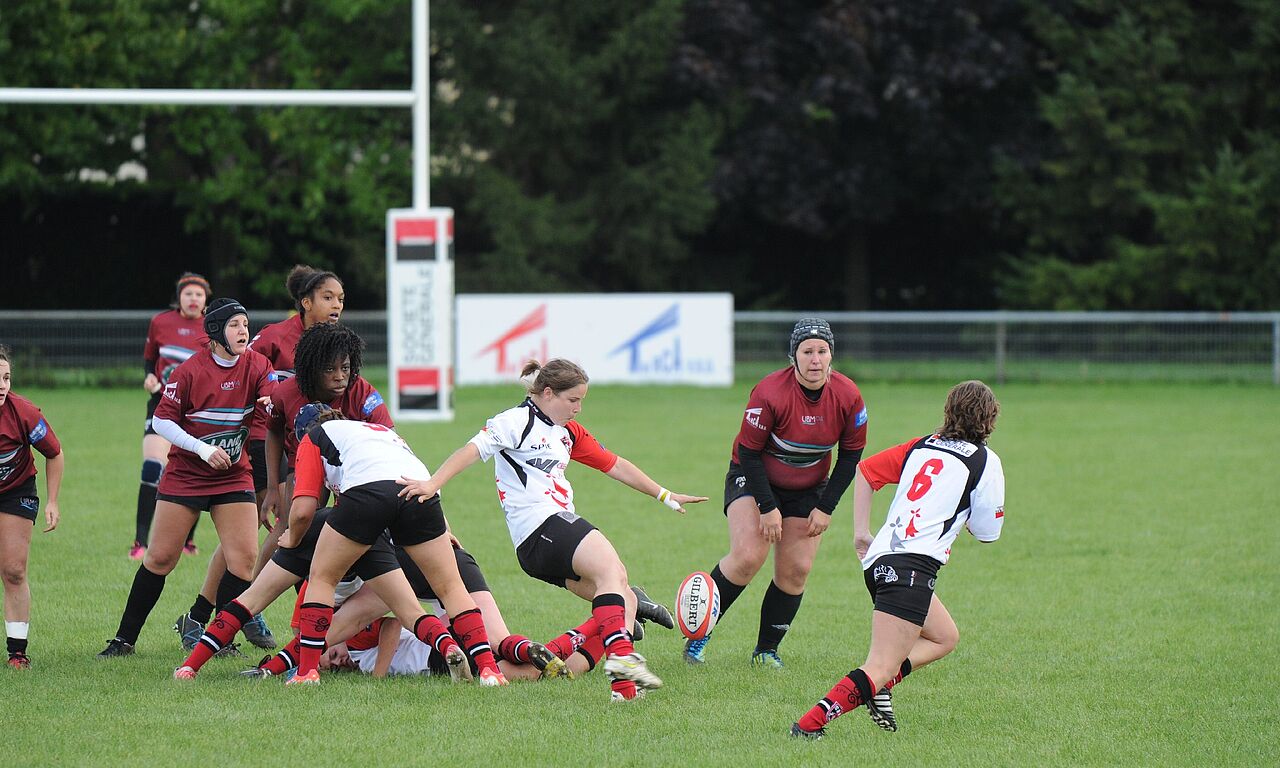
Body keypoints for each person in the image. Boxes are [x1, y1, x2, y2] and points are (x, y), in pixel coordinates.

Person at [398, 358, 707, 701]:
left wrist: (664, 494)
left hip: (543, 544)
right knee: (612, 570)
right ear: (547, 393)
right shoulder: (516, 421)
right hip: (541, 526)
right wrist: (432, 484)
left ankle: (622, 687)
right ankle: (623, 669)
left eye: (581, 401)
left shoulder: (567, 432)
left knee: (623, 596)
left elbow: (614, 465)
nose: (578, 408)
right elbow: (470, 452)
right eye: (573, 400)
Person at [790, 380, 1005, 740]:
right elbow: (988, 533)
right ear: (990, 419)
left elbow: (866, 471)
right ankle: (809, 724)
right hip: (911, 569)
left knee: (944, 637)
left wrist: (861, 532)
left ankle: (880, 686)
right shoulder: (985, 461)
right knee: (879, 665)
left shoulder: (923, 444)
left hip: (881, 559)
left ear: (949, 411)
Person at [177, 265, 344, 651]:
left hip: (308, 448)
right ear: (306, 303)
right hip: (263, 442)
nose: (336, 305)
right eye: (328, 298)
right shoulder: (274, 337)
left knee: (284, 527)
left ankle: (224, 611)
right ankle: (227, 611)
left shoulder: (334, 342)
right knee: (265, 528)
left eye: (340, 299)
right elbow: (235, 369)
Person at [685, 318, 868, 667]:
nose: (815, 360)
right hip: (754, 479)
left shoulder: (849, 396)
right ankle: (699, 635)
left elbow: (850, 456)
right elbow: (749, 453)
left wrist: (826, 507)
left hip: (809, 488)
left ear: (831, 355)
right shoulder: (770, 392)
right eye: (807, 351)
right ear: (793, 356)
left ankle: (766, 651)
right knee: (747, 557)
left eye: (822, 351)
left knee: (796, 569)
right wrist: (767, 507)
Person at [98, 298, 275, 658]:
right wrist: (202, 449)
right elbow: (162, 420)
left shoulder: (258, 364)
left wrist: (275, 403)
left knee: (243, 561)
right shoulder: (190, 371)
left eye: (245, 324)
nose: (243, 331)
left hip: (232, 475)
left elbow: (272, 396)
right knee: (161, 558)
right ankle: (123, 640)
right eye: (234, 325)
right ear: (216, 332)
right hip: (187, 475)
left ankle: (218, 639)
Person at [285, 406, 507, 686]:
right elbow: (411, 476)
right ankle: (489, 670)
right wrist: (445, 531)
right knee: (451, 588)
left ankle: (306, 672)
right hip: (419, 493)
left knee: (322, 578)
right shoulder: (381, 432)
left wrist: (292, 539)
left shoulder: (312, 438)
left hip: (368, 493)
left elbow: (303, 510)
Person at [132, 272, 209, 560]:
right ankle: (140, 542)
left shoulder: (212, 327)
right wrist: (150, 376)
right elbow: (150, 359)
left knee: (194, 472)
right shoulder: (161, 322)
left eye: (199, 294)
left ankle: (187, 540)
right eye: (188, 293)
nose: (193, 299)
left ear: (206, 299)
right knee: (152, 468)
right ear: (179, 297)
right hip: (161, 405)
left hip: (197, 410)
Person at [0, 345, 64, 669]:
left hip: (16, 491)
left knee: (13, 570)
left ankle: (17, 652)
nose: (2, 385)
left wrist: (52, 501)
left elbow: (54, 453)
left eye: (6, 378)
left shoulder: (24, 413)